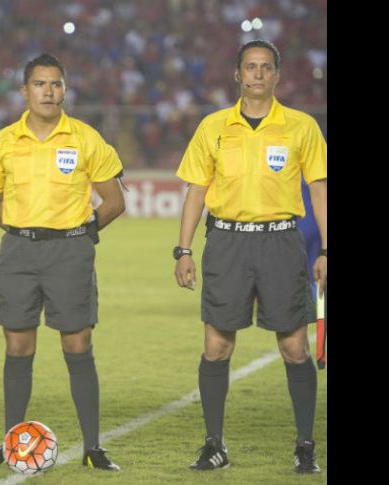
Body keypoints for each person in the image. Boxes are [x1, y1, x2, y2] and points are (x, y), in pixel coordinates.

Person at [173, 40, 327, 474]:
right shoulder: (214, 126)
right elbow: (196, 191)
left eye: (265, 68)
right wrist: (183, 250)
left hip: (281, 241)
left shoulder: (301, 127)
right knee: (216, 346)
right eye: (250, 67)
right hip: (227, 242)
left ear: (277, 75)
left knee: (295, 348)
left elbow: (319, 189)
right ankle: (214, 445)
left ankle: (305, 445)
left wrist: (328, 250)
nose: (257, 74)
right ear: (237, 75)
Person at [0, 53, 126, 471]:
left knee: (77, 344)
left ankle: (93, 448)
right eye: (40, 84)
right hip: (18, 252)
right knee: (18, 345)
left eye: (55, 84)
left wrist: (83, 234)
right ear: (25, 91)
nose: (48, 91)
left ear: (64, 89)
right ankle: (12, 442)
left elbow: (114, 201)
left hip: (70, 252)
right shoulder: (4, 141)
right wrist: (21, 227)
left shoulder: (84, 138)